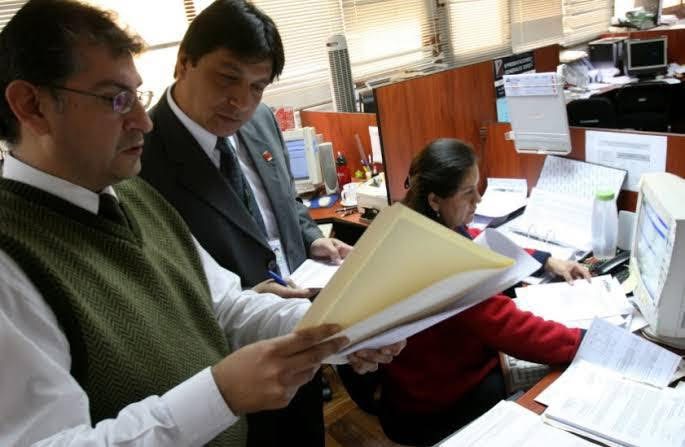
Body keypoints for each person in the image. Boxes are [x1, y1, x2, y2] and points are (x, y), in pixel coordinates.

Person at [0, 1, 404, 445]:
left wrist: (344, 330)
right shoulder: (12, 260)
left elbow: (225, 306)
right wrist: (221, 394)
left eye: (137, 97)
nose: (142, 122)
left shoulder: (133, 195)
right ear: (32, 106)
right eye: (116, 99)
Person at [138, 2, 353, 445]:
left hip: (299, 327)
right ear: (184, 63)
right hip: (229, 365)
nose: (241, 101)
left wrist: (311, 238)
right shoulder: (141, 156)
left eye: (257, 86)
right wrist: (245, 301)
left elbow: (285, 201)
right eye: (227, 78)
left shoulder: (261, 120)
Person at [376, 138, 590, 446]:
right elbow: (511, 328)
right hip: (434, 404)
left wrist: (544, 259)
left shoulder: (415, 224)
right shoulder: (442, 263)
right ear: (435, 200)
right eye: (468, 193)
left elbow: (477, 241)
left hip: (409, 385)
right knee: (544, 391)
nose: (479, 200)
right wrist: (585, 341)